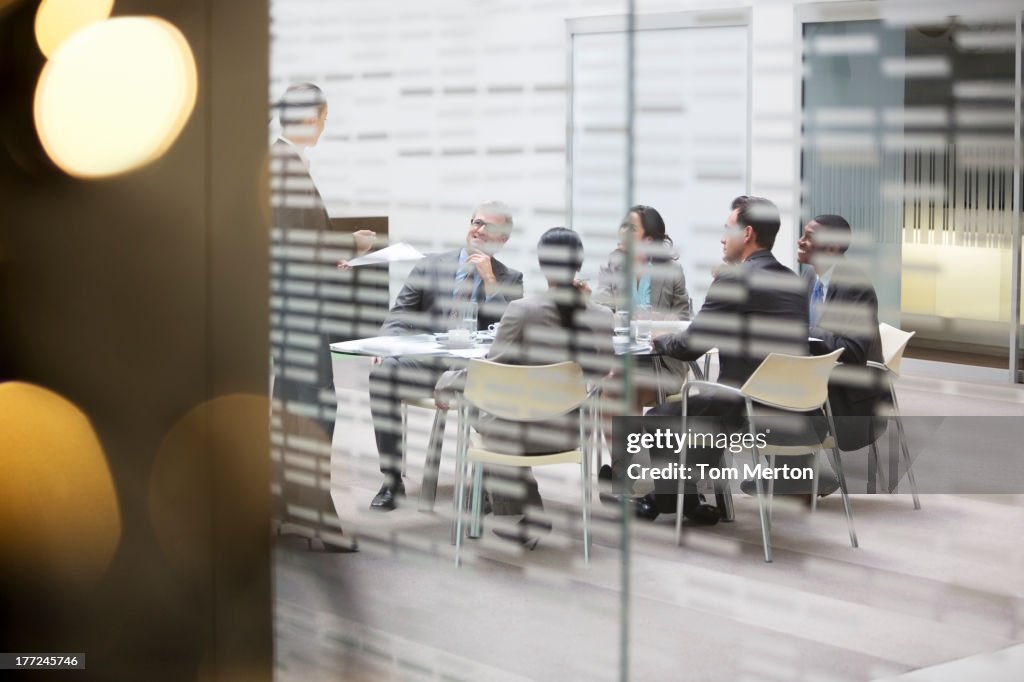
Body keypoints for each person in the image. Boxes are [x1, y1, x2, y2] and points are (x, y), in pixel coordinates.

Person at [434, 227, 615, 547]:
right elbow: (602, 373)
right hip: (572, 430)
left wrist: (446, 383)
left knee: (482, 417)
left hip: (522, 430)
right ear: (579, 263)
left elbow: (490, 372)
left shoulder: (521, 310)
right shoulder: (601, 315)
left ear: (542, 264)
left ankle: (523, 511)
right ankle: (499, 502)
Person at [635, 196, 811, 524]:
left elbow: (691, 345)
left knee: (661, 415)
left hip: (748, 407)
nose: (721, 237)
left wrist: (661, 341)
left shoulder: (735, 279)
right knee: (702, 411)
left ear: (746, 234)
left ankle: (669, 500)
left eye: (727, 228)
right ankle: (676, 499)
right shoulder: (794, 282)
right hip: (793, 406)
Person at [270, 83, 376, 550]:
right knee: (314, 411)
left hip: (291, 308)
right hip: (300, 313)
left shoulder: (278, 162)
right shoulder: (284, 165)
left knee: (292, 410)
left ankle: (287, 510)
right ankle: (315, 516)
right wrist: (349, 245)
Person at [368, 201, 524, 510]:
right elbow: (401, 313)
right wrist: (387, 343)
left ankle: (488, 484)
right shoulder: (431, 266)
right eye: (476, 222)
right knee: (383, 374)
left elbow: (511, 329)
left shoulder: (510, 279)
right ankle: (390, 480)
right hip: (428, 365)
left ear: (503, 239)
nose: (479, 230)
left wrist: (489, 281)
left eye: (489, 226)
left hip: (474, 372)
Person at [592, 205, 692, 482]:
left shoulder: (672, 271)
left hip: (662, 365)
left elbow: (684, 319)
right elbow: (600, 309)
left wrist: (659, 319)